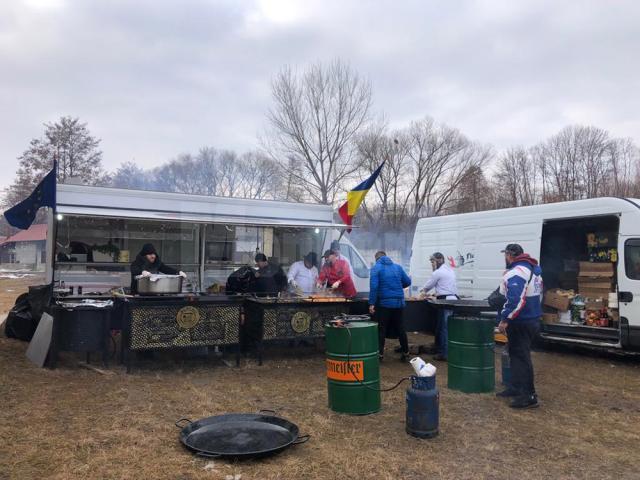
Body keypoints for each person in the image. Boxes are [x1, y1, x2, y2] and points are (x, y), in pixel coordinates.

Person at [496, 243, 543, 409]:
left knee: (522, 357)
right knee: (515, 354)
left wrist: (505, 319)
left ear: (509, 255)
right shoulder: (534, 269)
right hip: (531, 319)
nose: (505, 258)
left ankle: (529, 395)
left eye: (505, 255)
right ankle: (516, 388)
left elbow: (516, 299)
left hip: (521, 321)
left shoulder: (517, 272)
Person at [368, 251, 412, 361]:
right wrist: (396, 286)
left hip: (384, 304)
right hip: (399, 303)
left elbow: (374, 287)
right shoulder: (397, 267)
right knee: (400, 328)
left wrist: (372, 303)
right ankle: (406, 353)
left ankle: (380, 355)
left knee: (381, 329)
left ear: (376, 259)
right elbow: (407, 282)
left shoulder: (376, 268)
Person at [421, 252, 458, 361]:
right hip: (452, 299)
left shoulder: (438, 272)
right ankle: (440, 349)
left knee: (444, 329)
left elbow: (427, 287)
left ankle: (444, 354)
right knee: (442, 327)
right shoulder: (449, 270)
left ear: (439, 260)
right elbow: (445, 287)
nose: (432, 264)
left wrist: (422, 293)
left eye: (432, 262)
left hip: (445, 301)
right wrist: (435, 294)